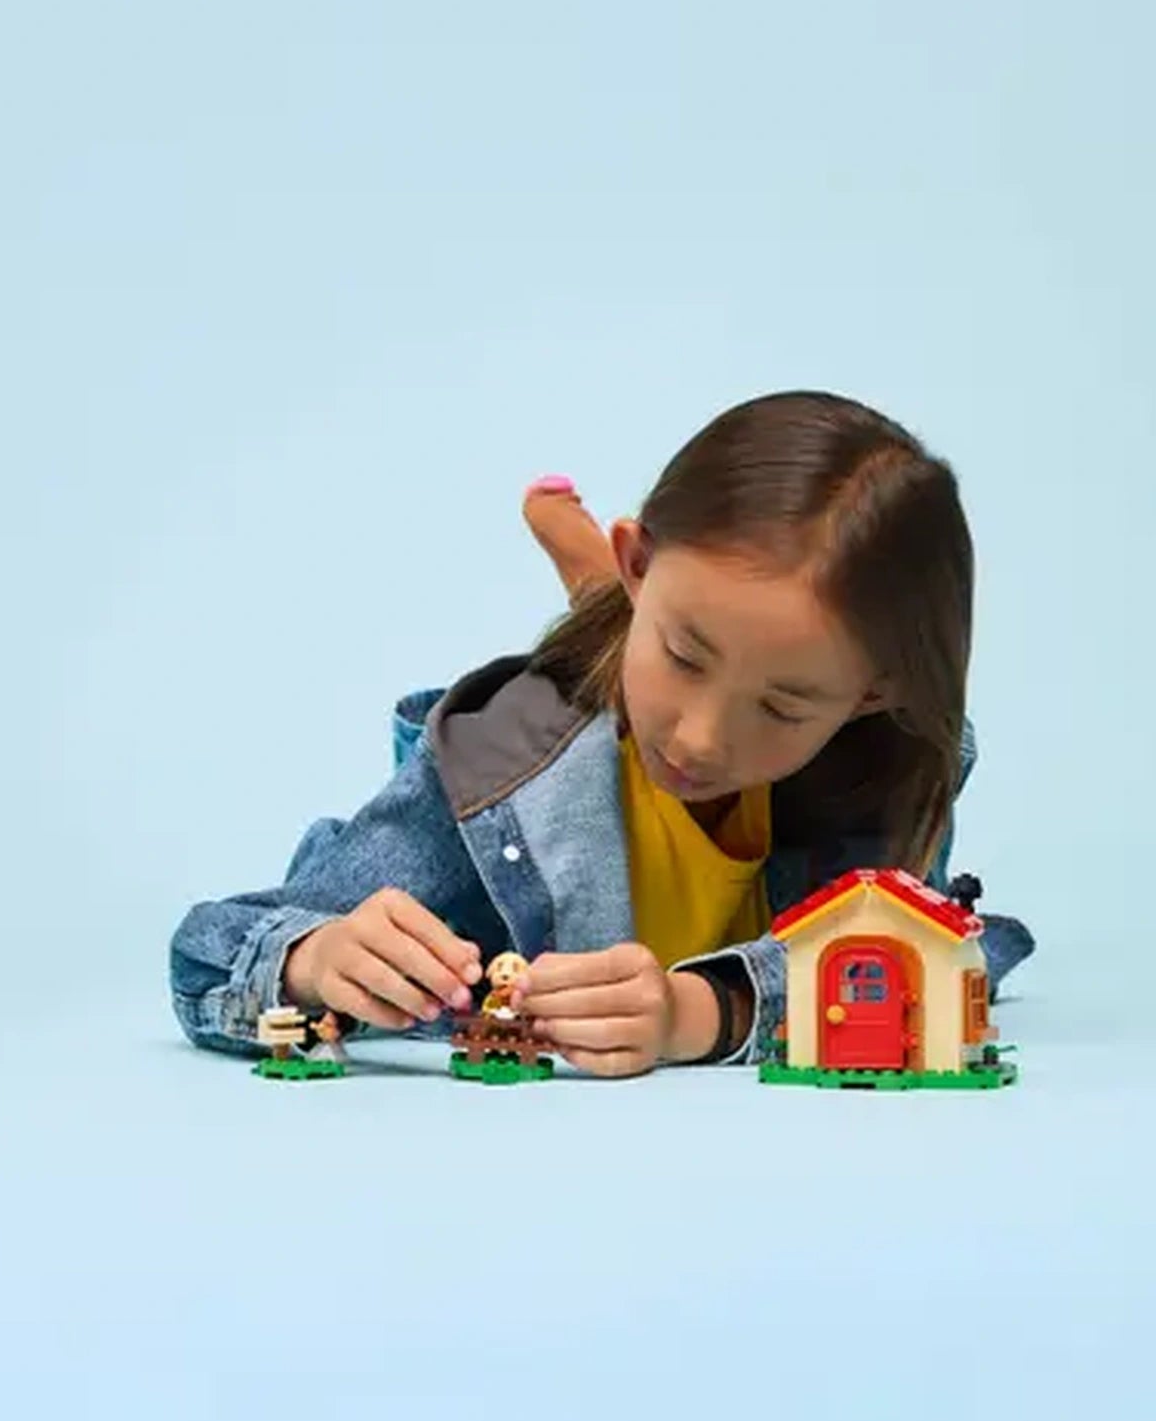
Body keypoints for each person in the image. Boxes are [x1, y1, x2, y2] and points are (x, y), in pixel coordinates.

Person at [169, 389, 1034, 1075]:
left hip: (654, 631)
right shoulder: (494, 778)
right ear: (642, 564)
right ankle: (595, 585)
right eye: (686, 656)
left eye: (782, 707)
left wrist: (701, 1012)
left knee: (649, 651)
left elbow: (940, 966)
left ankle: (609, 601)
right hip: (557, 724)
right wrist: (313, 961)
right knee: (582, 673)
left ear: (868, 696)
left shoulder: (885, 765)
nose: (698, 741)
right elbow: (206, 953)